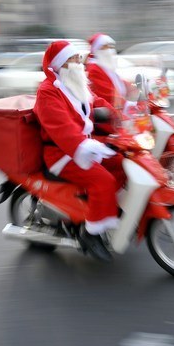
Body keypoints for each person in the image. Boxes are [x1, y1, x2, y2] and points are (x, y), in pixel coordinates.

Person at [33, 40, 126, 262]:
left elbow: (98, 104)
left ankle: (102, 208)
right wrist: (83, 146)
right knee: (102, 180)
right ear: (60, 64)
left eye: (77, 58)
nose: (78, 62)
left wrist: (123, 117)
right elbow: (60, 127)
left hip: (85, 144)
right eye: (73, 59)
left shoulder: (75, 84)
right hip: (63, 153)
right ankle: (90, 233)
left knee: (123, 162)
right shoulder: (48, 92)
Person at [85, 33, 138, 115]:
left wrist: (137, 88)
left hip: (118, 110)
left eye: (111, 47)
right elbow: (109, 96)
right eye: (105, 47)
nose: (110, 50)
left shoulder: (104, 65)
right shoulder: (94, 69)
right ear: (97, 49)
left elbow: (121, 84)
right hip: (110, 116)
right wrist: (132, 106)